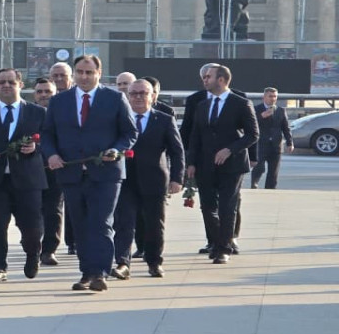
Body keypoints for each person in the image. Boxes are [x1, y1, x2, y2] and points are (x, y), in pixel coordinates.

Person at [40, 54, 137, 293]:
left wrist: (116, 150)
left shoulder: (114, 99)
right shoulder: (59, 101)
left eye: (89, 72)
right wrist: (51, 155)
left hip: (106, 173)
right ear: (74, 74)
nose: (84, 77)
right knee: (80, 224)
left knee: (101, 222)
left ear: (99, 74)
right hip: (71, 172)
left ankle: (99, 273)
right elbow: (48, 134)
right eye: (80, 72)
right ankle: (86, 272)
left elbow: (129, 133)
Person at [0, 68, 46, 283]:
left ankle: (33, 254)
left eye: (11, 82)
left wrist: (36, 147)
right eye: (2, 82)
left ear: (20, 85)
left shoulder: (37, 113)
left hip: (28, 178)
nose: (6, 85)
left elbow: (52, 141)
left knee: (31, 225)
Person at [185, 64, 258, 265]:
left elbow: (253, 134)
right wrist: (191, 162)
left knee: (227, 207)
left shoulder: (241, 103)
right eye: (204, 77)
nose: (204, 80)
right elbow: (195, 136)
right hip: (205, 164)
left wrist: (230, 149)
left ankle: (224, 248)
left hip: (232, 165)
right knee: (208, 207)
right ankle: (216, 242)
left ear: (221, 79)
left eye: (208, 77)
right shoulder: (203, 105)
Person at [113, 79, 183, 278]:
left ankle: (154, 262)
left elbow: (176, 151)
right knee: (124, 222)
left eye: (143, 93)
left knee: (154, 224)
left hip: (154, 180)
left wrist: (177, 178)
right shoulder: (119, 119)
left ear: (152, 96)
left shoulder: (164, 119)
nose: (138, 97)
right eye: (133, 93)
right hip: (125, 179)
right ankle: (122, 263)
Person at [31, 77, 64, 266]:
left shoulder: (63, 113)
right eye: (40, 92)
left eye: (48, 92)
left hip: (54, 169)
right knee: (30, 210)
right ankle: (32, 242)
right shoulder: (27, 113)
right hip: (30, 170)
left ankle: (49, 250)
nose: (44, 95)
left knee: (53, 210)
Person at [47, 62, 78, 257]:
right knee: (54, 205)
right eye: (55, 76)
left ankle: (73, 241)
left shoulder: (77, 98)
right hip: (52, 158)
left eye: (62, 75)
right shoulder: (49, 98)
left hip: (74, 159)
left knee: (74, 204)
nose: (59, 79)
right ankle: (52, 243)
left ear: (71, 77)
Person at [251, 87, 293, 189]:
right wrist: (261, 116)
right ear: (264, 97)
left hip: (276, 145)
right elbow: (250, 125)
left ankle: (270, 189)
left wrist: (290, 142)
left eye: (275, 96)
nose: (273, 99)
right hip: (261, 144)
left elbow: (286, 128)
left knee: (273, 171)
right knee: (259, 167)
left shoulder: (281, 110)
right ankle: (254, 183)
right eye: (270, 96)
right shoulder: (256, 109)